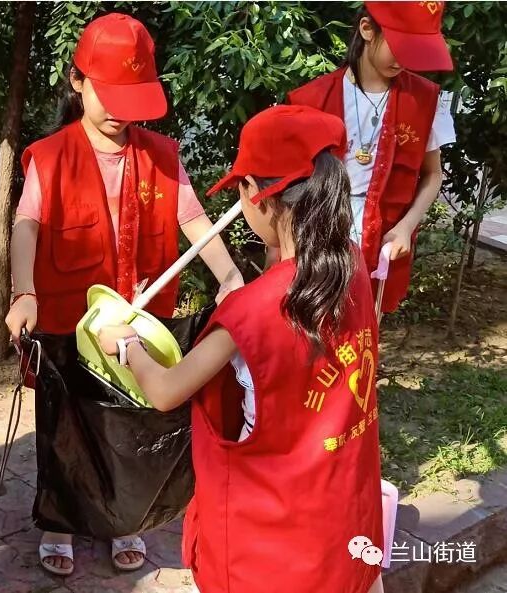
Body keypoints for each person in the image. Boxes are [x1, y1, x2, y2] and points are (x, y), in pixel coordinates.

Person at [99, 105, 385, 593]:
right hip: (344, 522)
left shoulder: (249, 313)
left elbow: (166, 391)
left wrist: (125, 345)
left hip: (270, 547)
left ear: (257, 194)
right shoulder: (352, 269)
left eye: (241, 187)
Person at [4, 12, 244, 576]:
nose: (117, 111)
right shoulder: (50, 155)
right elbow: (26, 225)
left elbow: (194, 219)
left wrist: (230, 277)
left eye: (129, 98)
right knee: (66, 423)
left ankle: (123, 519)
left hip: (138, 320)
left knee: (128, 424)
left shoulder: (161, 154)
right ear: (77, 81)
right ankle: (60, 522)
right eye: (106, 94)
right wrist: (24, 291)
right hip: (67, 320)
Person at [286, 0, 455, 312]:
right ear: (366, 29)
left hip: (384, 234)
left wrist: (407, 225)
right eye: (400, 46)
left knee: (366, 322)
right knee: (313, 316)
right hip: (321, 229)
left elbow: (433, 174)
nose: (405, 59)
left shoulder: (424, 100)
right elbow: (290, 185)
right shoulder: (312, 99)